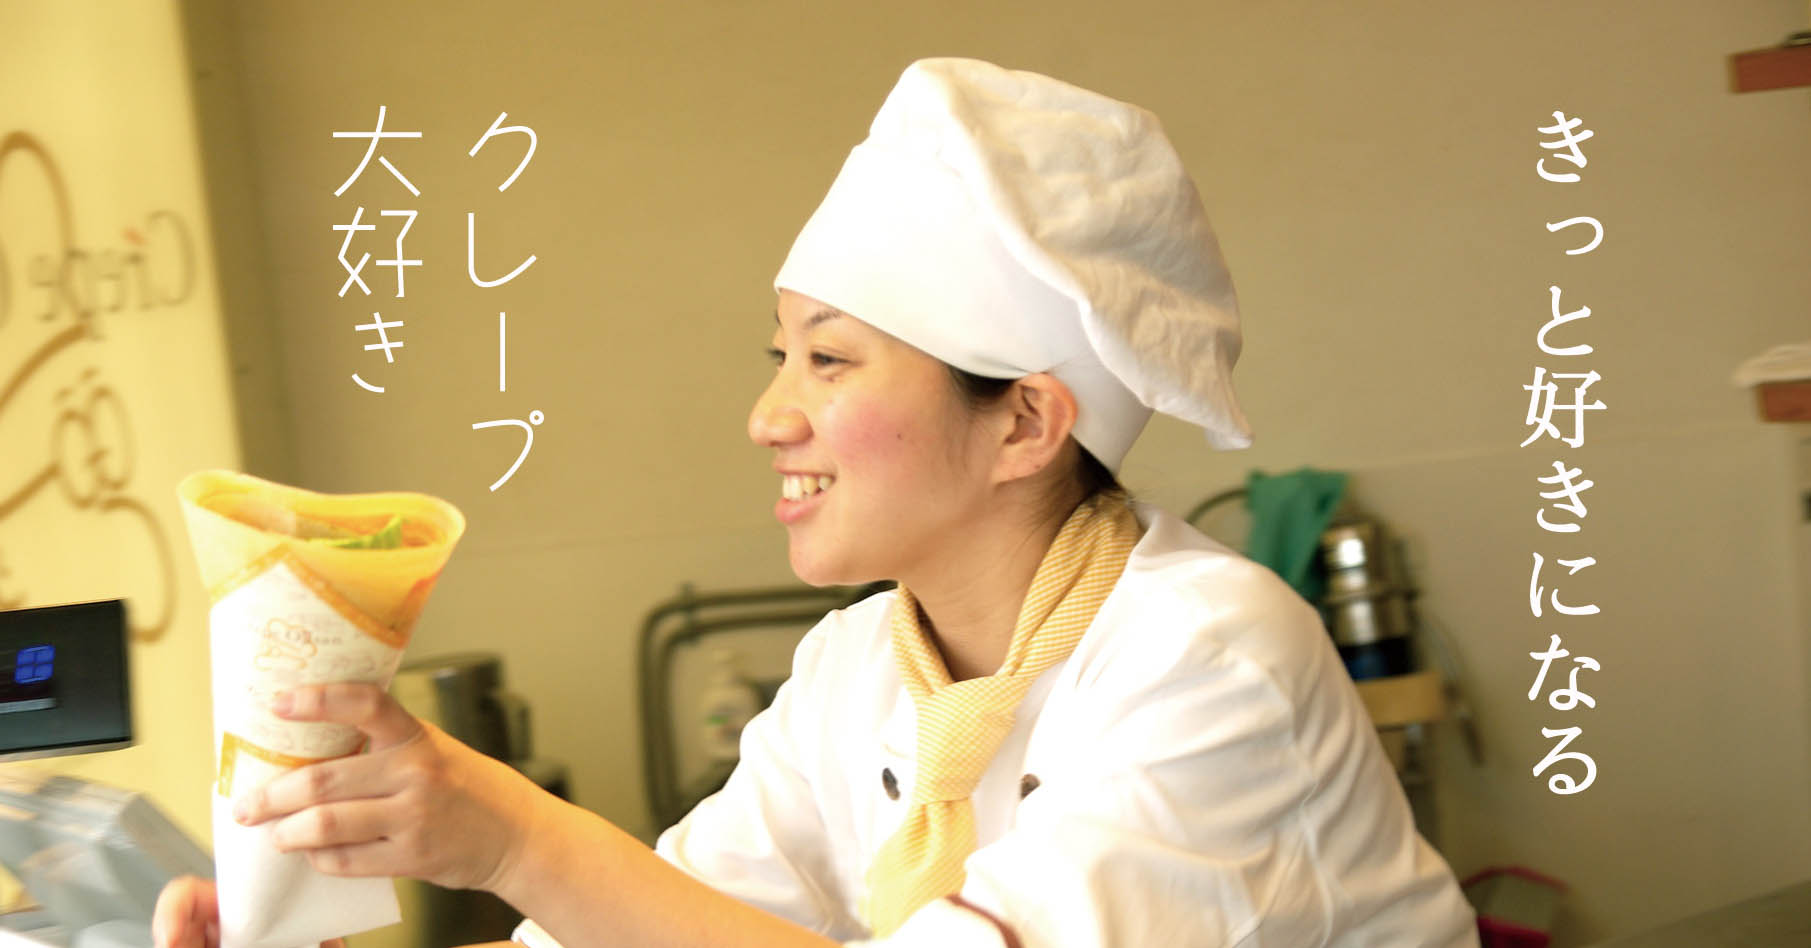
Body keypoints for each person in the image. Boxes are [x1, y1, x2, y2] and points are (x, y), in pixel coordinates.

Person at [155, 58, 1478, 948]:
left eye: (830, 360)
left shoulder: (1211, 657)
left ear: (1025, 421)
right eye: (779, 355)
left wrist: (511, 838)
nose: (769, 415)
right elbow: (653, 923)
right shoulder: (855, 671)